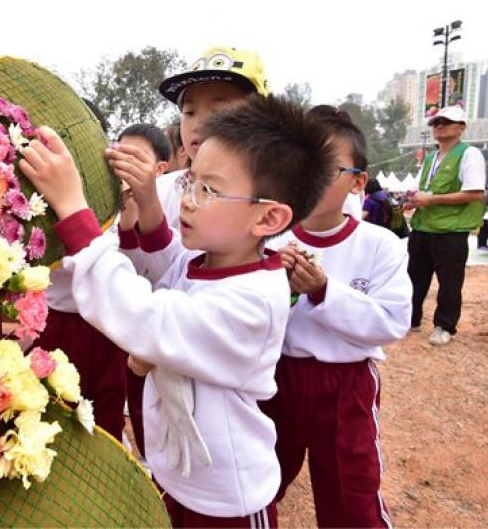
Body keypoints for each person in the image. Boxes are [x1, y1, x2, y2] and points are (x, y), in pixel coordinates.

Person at [19, 95, 335, 527]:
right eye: (190, 182)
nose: (186, 200)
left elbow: (146, 315)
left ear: (268, 219)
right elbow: (166, 275)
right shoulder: (208, 260)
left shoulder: (255, 299)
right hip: (182, 477)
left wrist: (75, 211)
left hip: (230, 500)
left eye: (209, 189)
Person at [107, 45, 270, 458]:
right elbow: (157, 273)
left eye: (220, 109)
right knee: (160, 457)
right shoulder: (163, 187)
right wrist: (141, 207)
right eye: (189, 111)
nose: (200, 124)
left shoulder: (265, 204)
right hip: (155, 359)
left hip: (216, 382)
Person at [260, 106, 411, 528]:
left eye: (325, 167)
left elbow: (392, 321)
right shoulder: (271, 239)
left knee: (350, 489)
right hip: (278, 378)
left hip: (346, 384)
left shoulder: (380, 245)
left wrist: (323, 290)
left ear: (357, 181)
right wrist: (282, 290)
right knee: (261, 477)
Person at [35, 123, 174, 440]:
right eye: (118, 152)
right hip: (57, 324)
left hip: (109, 331)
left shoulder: (154, 215)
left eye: (135, 157)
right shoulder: (77, 193)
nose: (122, 164)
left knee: (104, 415)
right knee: (48, 409)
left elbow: (140, 270)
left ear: (160, 168)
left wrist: (129, 221)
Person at [407, 105, 486, 345]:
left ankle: (444, 326)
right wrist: (415, 201)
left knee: (449, 282)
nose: (439, 126)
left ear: (461, 127)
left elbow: (474, 193)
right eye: (436, 122)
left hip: (451, 230)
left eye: (446, 122)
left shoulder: (469, 154)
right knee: (414, 277)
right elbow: (428, 190)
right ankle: (410, 319)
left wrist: (430, 199)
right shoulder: (431, 157)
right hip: (423, 226)